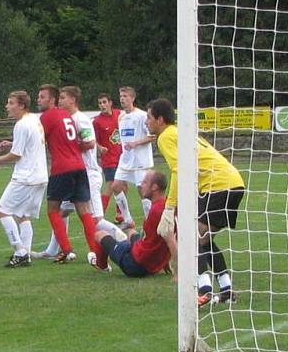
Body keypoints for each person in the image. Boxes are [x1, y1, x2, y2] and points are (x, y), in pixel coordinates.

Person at [147, 98, 245, 306]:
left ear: (160, 119)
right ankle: (226, 290)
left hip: (218, 185)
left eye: (149, 117)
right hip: (233, 182)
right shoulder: (180, 131)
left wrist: (169, 206)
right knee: (203, 239)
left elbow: (178, 170)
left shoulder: (165, 136)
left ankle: (204, 291)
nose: (147, 122)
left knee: (192, 238)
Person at [35, 87, 126, 265]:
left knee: (93, 217)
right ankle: (57, 250)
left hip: (86, 172)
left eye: (63, 98)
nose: (60, 101)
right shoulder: (66, 117)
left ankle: (119, 239)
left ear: (73, 100)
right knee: (66, 212)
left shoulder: (79, 119)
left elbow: (89, 142)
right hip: (79, 169)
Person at [0, 91, 48, 268]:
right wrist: (12, 143)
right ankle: (27, 256)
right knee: (23, 216)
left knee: (2, 211)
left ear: (21, 106)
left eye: (11, 103)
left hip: (26, 177)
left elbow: (17, 155)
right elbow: (32, 143)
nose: (7, 106)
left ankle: (20, 251)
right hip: (40, 176)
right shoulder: (34, 119)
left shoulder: (22, 125)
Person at [95, 170, 177, 278]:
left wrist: (177, 272)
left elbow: (168, 240)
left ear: (154, 187)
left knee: (99, 234)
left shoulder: (156, 211)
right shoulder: (166, 206)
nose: (140, 185)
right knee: (131, 231)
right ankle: (123, 243)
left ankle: (102, 266)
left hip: (135, 264)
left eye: (144, 183)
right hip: (151, 262)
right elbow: (163, 238)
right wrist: (165, 263)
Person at [110, 86, 155, 229]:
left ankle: (149, 222)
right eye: (121, 96)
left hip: (141, 161)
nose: (122, 99)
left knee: (143, 191)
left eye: (125, 96)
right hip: (126, 160)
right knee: (116, 186)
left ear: (132, 98)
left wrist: (136, 143)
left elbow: (152, 136)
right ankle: (128, 219)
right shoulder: (121, 117)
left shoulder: (142, 116)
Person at [92, 93, 130, 225]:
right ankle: (99, 214)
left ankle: (120, 214)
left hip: (122, 157)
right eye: (100, 103)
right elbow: (93, 140)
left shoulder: (120, 115)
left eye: (104, 102)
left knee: (124, 185)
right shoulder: (97, 122)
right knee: (110, 186)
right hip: (109, 159)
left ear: (110, 103)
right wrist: (100, 147)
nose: (102, 105)